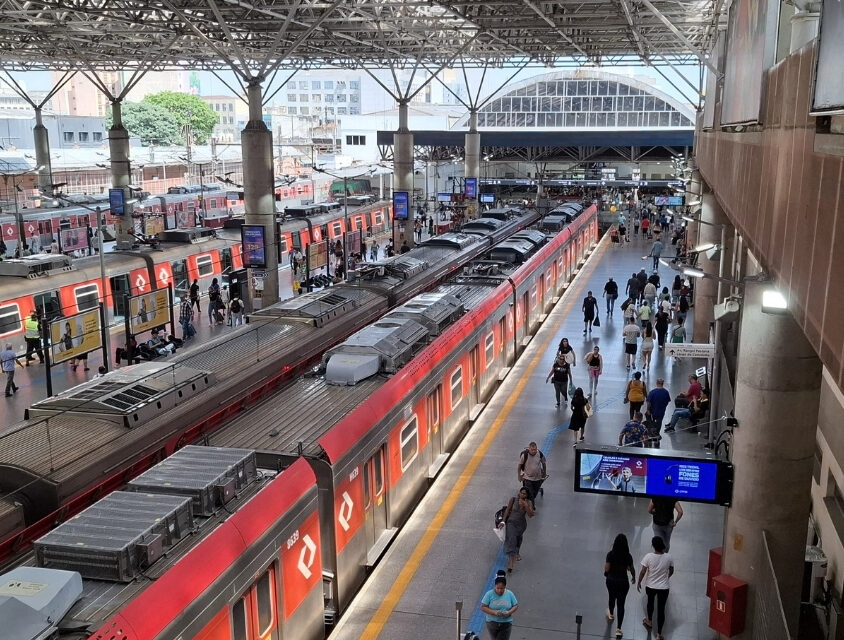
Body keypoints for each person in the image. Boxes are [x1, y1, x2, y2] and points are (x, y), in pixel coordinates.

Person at [637, 536, 674, 640]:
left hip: (650, 586)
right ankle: (659, 634)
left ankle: (649, 621)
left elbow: (643, 571)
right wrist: (667, 577)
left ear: (653, 546)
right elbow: (671, 570)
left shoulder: (648, 557)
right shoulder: (669, 557)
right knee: (661, 610)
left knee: (650, 603)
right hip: (664, 587)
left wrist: (639, 581)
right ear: (662, 545)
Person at [605, 534, 636, 639]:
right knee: (621, 604)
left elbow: (607, 569)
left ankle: (611, 614)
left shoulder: (610, 554)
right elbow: (631, 568)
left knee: (611, 597)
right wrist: (634, 577)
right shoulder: (628, 556)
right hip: (623, 582)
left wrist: (606, 573)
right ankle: (618, 629)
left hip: (611, 580)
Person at [501, 486, 534, 572]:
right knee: (512, 539)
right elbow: (507, 510)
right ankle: (511, 562)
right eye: (521, 493)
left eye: (524, 494)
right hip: (511, 522)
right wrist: (503, 521)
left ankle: (517, 552)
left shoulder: (528, 502)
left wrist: (525, 505)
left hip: (521, 525)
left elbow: (530, 515)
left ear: (527, 495)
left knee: (518, 539)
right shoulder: (513, 499)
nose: (522, 495)